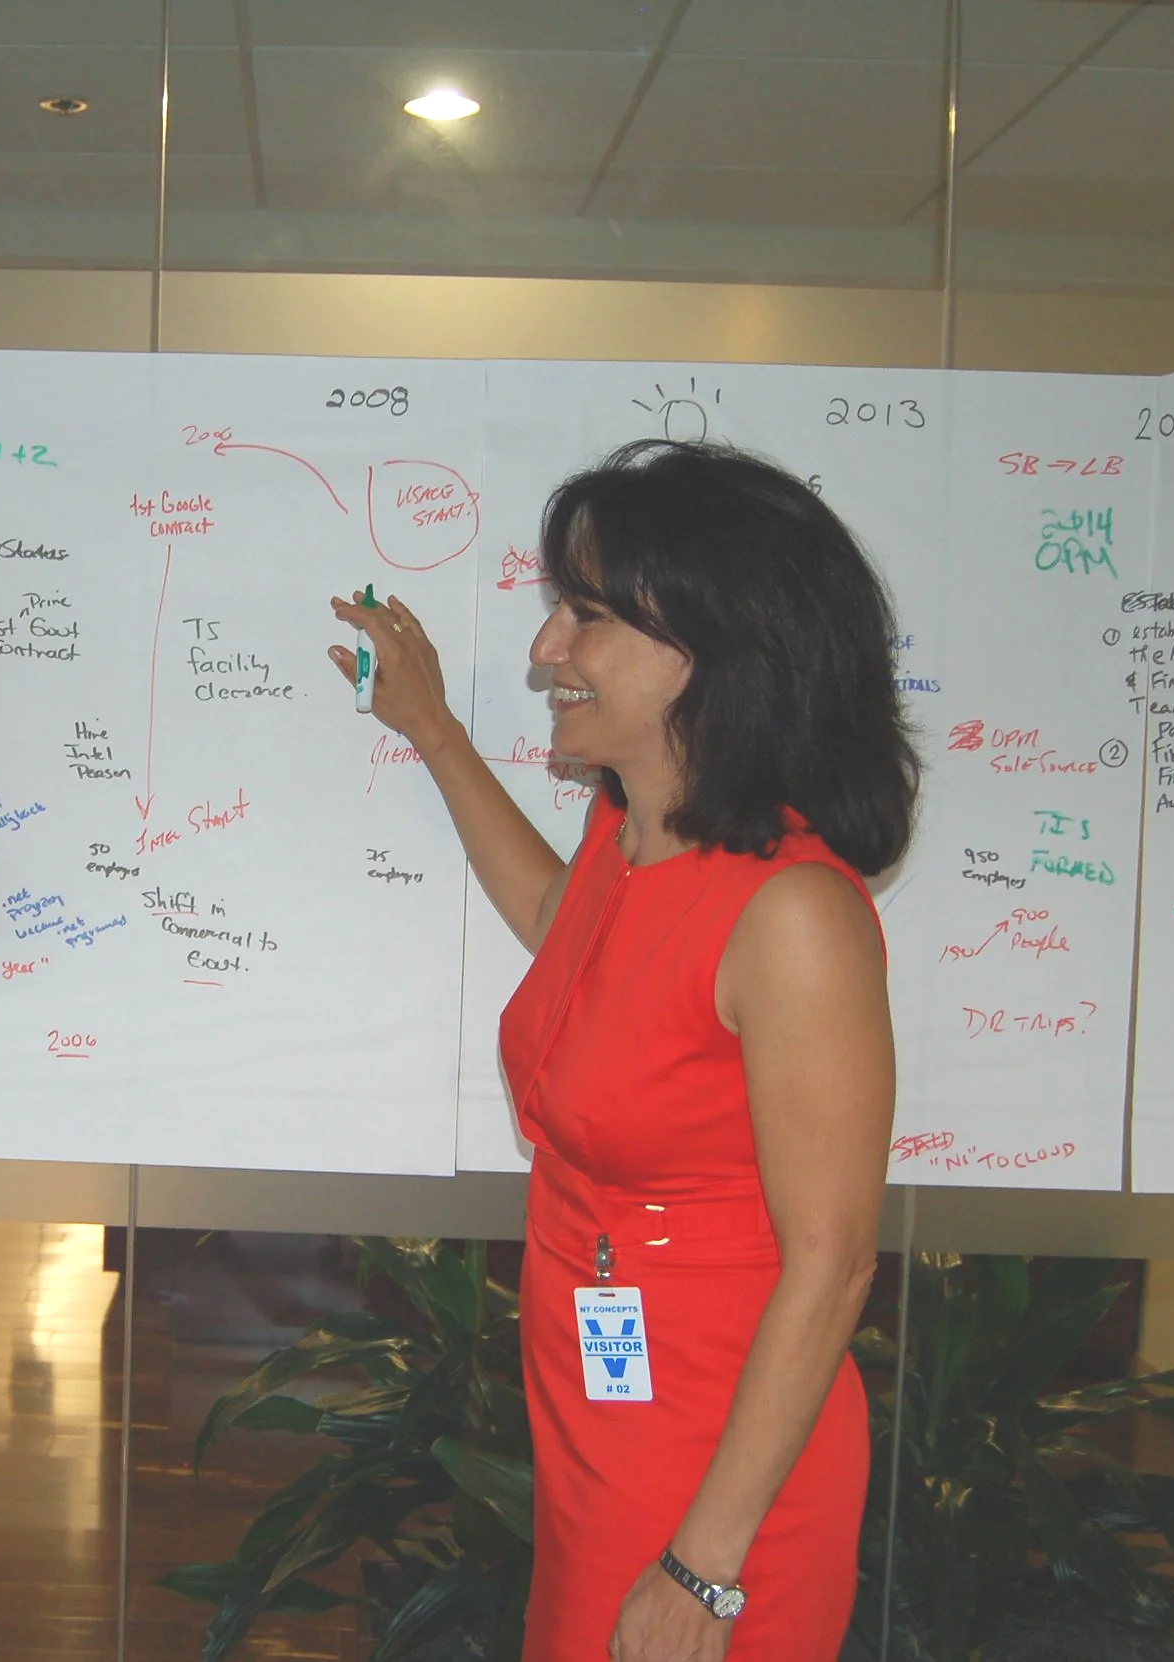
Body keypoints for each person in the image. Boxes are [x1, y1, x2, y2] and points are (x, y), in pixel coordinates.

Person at [331, 439, 913, 1662]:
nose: (548, 653)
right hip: (604, 1411)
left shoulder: (792, 917)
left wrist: (704, 1573)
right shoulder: (635, 838)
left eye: (584, 618)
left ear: (718, 651)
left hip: (719, 1464)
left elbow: (833, 1266)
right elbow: (564, 931)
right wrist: (432, 730)